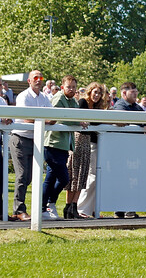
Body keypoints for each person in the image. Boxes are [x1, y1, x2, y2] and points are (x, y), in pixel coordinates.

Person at [10, 70, 52, 221]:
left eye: (41, 77)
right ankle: (18, 210)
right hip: (20, 139)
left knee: (30, 177)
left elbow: (52, 116)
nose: (39, 80)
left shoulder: (45, 97)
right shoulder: (23, 96)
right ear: (29, 81)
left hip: (35, 140)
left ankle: (22, 209)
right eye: (35, 77)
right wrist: (44, 120)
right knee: (22, 176)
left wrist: (46, 120)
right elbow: (26, 118)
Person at [111, 82, 146, 218]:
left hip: (134, 149)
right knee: (124, 178)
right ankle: (123, 209)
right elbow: (124, 120)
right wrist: (143, 125)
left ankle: (124, 210)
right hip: (122, 149)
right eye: (133, 92)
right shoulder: (120, 105)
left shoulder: (137, 107)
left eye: (136, 92)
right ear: (123, 93)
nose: (136, 94)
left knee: (132, 178)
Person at [46, 75, 88, 220]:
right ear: (63, 87)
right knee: (64, 178)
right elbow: (60, 117)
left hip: (63, 145)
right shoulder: (59, 98)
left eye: (74, 87)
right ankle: (49, 203)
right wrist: (78, 121)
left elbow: (76, 115)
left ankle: (45, 207)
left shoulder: (72, 101)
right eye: (69, 87)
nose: (71, 89)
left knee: (51, 178)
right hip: (53, 143)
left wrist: (78, 120)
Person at [77, 82, 110, 219]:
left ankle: (92, 209)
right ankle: (81, 209)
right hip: (85, 143)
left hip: (97, 143)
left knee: (97, 177)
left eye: (99, 93)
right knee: (90, 177)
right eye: (95, 92)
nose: (96, 95)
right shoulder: (83, 102)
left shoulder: (98, 107)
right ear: (89, 92)